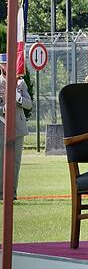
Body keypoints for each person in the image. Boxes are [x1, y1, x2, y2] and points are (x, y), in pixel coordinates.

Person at [0, 53, 31, 201]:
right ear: (1, 66)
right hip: (2, 125)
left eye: (8, 64)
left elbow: (29, 104)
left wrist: (19, 98)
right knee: (1, 161)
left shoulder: (20, 83)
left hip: (18, 126)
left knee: (15, 163)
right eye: (4, 64)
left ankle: (12, 193)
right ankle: (1, 193)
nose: (6, 66)